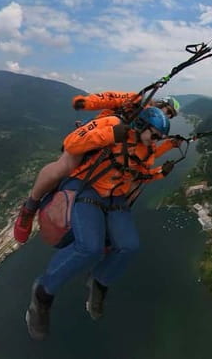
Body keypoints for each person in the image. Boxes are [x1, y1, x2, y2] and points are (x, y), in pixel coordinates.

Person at [25, 106, 178, 340]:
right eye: (155, 136)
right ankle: (43, 293)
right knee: (89, 247)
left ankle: (99, 281)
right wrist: (111, 134)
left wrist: (160, 173)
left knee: (129, 246)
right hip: (89, 187)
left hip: (114, 196)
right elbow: (74, 144)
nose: (156, 141)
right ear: (142, 126)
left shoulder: (145, 150)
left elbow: (139, 173)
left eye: (159, 138)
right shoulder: (114, 130)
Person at [13, 93, 180, 244]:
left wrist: (169, 146)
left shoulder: (154, 126)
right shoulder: (138, 101)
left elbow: (144, 157)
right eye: (167, 110)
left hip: (119, 153)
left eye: (170, 115)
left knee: (130, 186)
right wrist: (87, 103)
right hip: (102, 135)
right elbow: (109, 98)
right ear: (160, 102)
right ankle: (30, 207)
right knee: (66, 164)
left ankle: (105, 230)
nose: (166, 115)